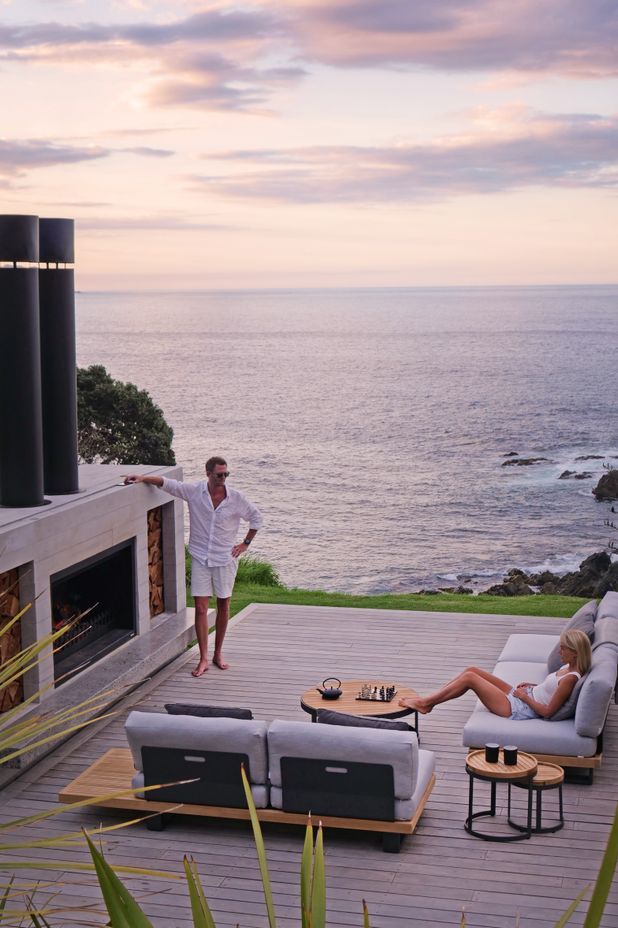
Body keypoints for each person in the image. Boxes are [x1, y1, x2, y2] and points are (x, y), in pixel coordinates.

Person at [124, 456, 263, 676]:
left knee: (224, 606)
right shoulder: (194, 491)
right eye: (219, 474)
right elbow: (168, 484)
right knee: (200, 608)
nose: (223, 478)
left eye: (226, 474)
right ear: (208, 473)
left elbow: (256, 518)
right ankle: (204, 658)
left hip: (225, 559)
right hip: (200, 557)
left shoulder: (236, 498)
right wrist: (142, 478)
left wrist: (244, 544)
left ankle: (218, 653)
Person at [398, 629, 591, 720]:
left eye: (563, 649)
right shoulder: (568, 668)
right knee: (472, 669)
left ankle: (425, 704)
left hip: (517, 709)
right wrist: (531, 686)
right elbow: (550, 691)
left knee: (469, 679)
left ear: (575, 652)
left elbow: (548, 712)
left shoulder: (571, 679)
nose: (560, 652)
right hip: (524, 697)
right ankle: (430, 700)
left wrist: (524, 697)